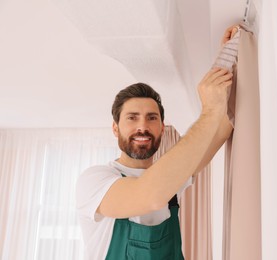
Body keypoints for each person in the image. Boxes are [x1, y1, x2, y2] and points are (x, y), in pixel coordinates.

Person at [76, 26, 238, 260]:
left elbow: (222, 127)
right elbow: (150, 196)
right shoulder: (95, 180)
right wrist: (208, 111)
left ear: (162, 128)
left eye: (152, 118)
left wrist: (229, 61)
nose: (142, 126)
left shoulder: (171, 177)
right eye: (132, 118)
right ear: (115, 128)